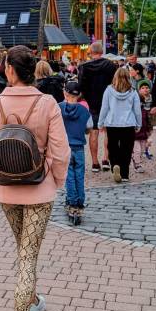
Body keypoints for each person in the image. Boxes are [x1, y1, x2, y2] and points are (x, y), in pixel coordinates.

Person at [0, 45, 70, 311]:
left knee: (24, 251)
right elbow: (61, 152)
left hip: (7, 192)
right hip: (38, 190)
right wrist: (54, 182)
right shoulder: (48, 104)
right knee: (27, 256)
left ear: (10, 71)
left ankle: (32, 301)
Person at [78, 41, 117, 172]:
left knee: (94, 132)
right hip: (108, 102)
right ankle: (106, 159)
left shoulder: (84, 67)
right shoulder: (111, 65)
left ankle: (95, 162)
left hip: (91, 102)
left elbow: (81, 87)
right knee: (107, 132)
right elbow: (115, 84)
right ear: (101, 51)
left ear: (91, 52)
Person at [98, 66, 142, 183]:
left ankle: (115, 166)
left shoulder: (108, 90)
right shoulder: (133, 92)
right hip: (128, 124)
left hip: (112, 123)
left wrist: (100, 123)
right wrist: (139, 124)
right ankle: (125, 174)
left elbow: (104, 108)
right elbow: (137, 110)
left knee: (112, 147)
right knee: (126, 149)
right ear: (128, 78)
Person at [59, 80, 93, 222]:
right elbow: (89, 127)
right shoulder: (84, 110)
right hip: (79, 147)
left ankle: (72, 201)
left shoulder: (58, 108)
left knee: (69, 176)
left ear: (64, 93)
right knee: (79, 175)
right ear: (79, 95)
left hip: (65, 147)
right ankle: (79, 201)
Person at [133, 80, 153, 171]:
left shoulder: (145, 111)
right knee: (137, 150)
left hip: (143, 133)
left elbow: (148, 122)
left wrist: (149, 132)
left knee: (141, 150)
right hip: (135, 134)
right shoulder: (133, 112)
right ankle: (137, 165)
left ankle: (137, 160)